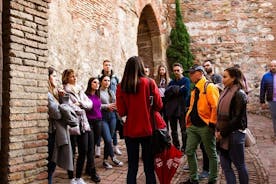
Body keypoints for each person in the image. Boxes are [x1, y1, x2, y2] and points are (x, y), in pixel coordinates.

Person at [116, 56, 163, 184]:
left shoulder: (121, 86)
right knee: (149, 166)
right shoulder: (149, 82)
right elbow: (159, 105)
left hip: (130, 130)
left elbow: (121, 112)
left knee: (132, 166)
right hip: (148, 129)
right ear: (141, 67)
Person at [181, 64, 219, 184]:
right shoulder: (195, 88)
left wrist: (212, 124)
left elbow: (215, 107)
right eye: (190, 73)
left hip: (206, 126)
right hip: (193, 126)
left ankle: (212, 179)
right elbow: (193, 106)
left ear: (200, 73)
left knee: (211, 153)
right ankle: (194, 179)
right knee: (189, 151)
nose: (190, 75)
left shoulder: (209, 87)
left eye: (193, 73)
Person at [216, 67, 249, 184]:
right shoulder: (225, 91)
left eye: (225, 77)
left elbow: (237, 119)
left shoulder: (239, 94)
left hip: (235, 134)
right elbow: (218, 114)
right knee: (226, 167)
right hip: (222, 134)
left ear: (233, 78)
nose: (222, 79)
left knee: (239, 165)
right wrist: (218, 131)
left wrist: (222, 133)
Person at [62, 69, 93, 184]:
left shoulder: (79, 89)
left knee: (83, 150)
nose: (75, 78)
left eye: (75, 76)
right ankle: (71, 178)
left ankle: (79, 177)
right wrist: (81, 107)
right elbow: (68, 107)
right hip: (72, 125)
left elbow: (90, 104)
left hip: (83, 124)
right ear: (66, 78)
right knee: (71, 152)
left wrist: (80, 104)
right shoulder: (64, 91)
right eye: (72, 77)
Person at [47, 67, 75, 184]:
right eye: (53, 76)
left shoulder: (54, 93)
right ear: (47, 78)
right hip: (51, 132)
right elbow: (58, 114)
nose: (55, 79)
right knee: (50, 163)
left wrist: (62, 99)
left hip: (55, 131)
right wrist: (63, 103)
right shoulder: (48, 94)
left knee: (52, 164)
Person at [97, 59, 122, 157]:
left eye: (109, 65)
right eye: (106, 65)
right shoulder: (99, 77)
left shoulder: (115, 78)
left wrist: (115, 105)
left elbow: (118, 90)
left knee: (113, 131)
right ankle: (98, 147)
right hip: (103, 113)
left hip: (112, 108)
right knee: (104, 134)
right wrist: (107, 106)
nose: (107, 66)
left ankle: (113, 149)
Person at [99, 75, 123, 169]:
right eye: (105, 80)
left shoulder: (111, 92)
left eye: (108, 80)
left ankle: (105, 160)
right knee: (108, 139)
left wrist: (117, 106)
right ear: (101, 81)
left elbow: (116, 102)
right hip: (103, 118)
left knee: (109, 140)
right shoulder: (98, 92)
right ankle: (113, 157)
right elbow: (97, 105)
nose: (107, 82)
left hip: (112, 117)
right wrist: (107, 106)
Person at [164, 62, 190, 152]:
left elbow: (185, 91)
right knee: (173, 131)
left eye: (178, 70)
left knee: (184, 130)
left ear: (182, 70)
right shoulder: (171, 82)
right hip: (172, 110)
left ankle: (184, 147)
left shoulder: (186, 80)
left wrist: (173, 90)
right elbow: (166, 93)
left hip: (182, 108)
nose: (176, 72)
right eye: (174, 70)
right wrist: (177, 89)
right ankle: (176, 146)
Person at [84, 77, 102, 182]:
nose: (97, 84)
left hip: (98, 122)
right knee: (90, 148)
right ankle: (93, 172)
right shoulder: (85, 96)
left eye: (98, 83)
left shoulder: (97, 95)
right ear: (90, 83)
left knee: (94, 145)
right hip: (89, 122)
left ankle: (88, 168)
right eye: (94, 82)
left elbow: (98, 108)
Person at [260, 60, 276, 138]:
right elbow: (262, 89)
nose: (273, 67)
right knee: (274, 117)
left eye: (275, 66)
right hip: (272, 100)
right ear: (269, 67)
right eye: (271, 66)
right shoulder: (266, 76)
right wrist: (262, 101)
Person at [154, 64, 170, 129]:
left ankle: (167, 131)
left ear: (165, 71)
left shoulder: (168, 80)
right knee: (159, 116)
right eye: (160, 70)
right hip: (159, 99)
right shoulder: (156, 80)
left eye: (163, 69)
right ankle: (160, 131)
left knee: (166, 117)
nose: (161, 71)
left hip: (166, 100)